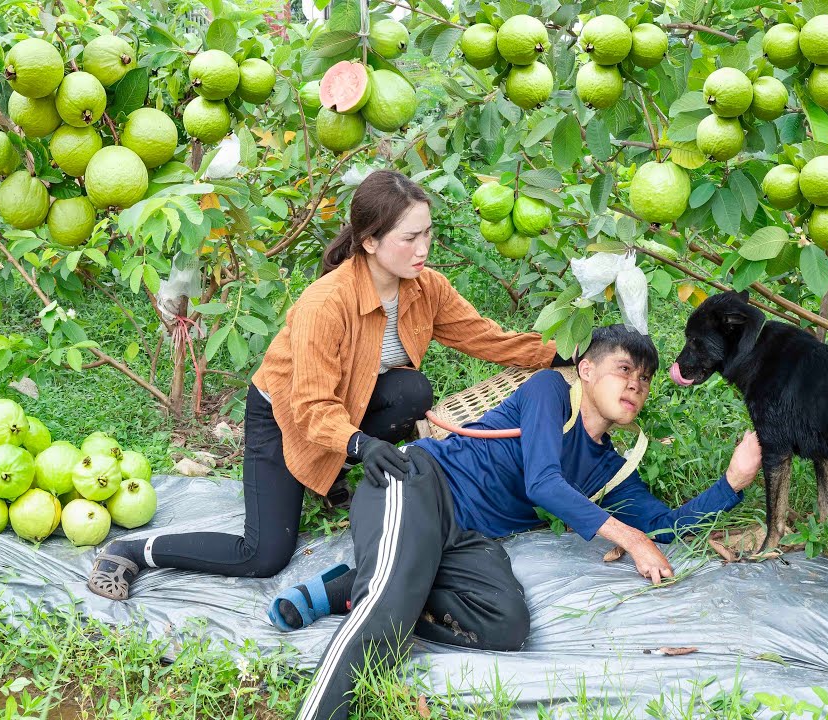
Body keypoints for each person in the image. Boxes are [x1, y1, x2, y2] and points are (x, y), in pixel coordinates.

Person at [86, 169, 567, 601]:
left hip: (349, 403)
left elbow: (484, 337)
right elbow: (312, 406)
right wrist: (362, 444)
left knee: (412, 392)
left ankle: (331, 473)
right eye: (410, 238)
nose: (423, 249)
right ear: (371, 241)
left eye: (428, 234)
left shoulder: (426, 287)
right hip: (286, 414)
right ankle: (131, 549)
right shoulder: (327, 302)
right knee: (263, 554)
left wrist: (565, 352)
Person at [285, 324, 763, 720]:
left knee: (506, 625)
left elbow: (665, 528)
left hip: (465, 540)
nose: (635, 384)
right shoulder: (549, 391)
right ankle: (369, 611)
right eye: (624, 370)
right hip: (417, 484)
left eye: (644, 379)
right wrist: (629, 538)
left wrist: (733, 482)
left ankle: (355, 587)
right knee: (387, 606)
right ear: (587, 369)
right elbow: (543, 483)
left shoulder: (610, 469)